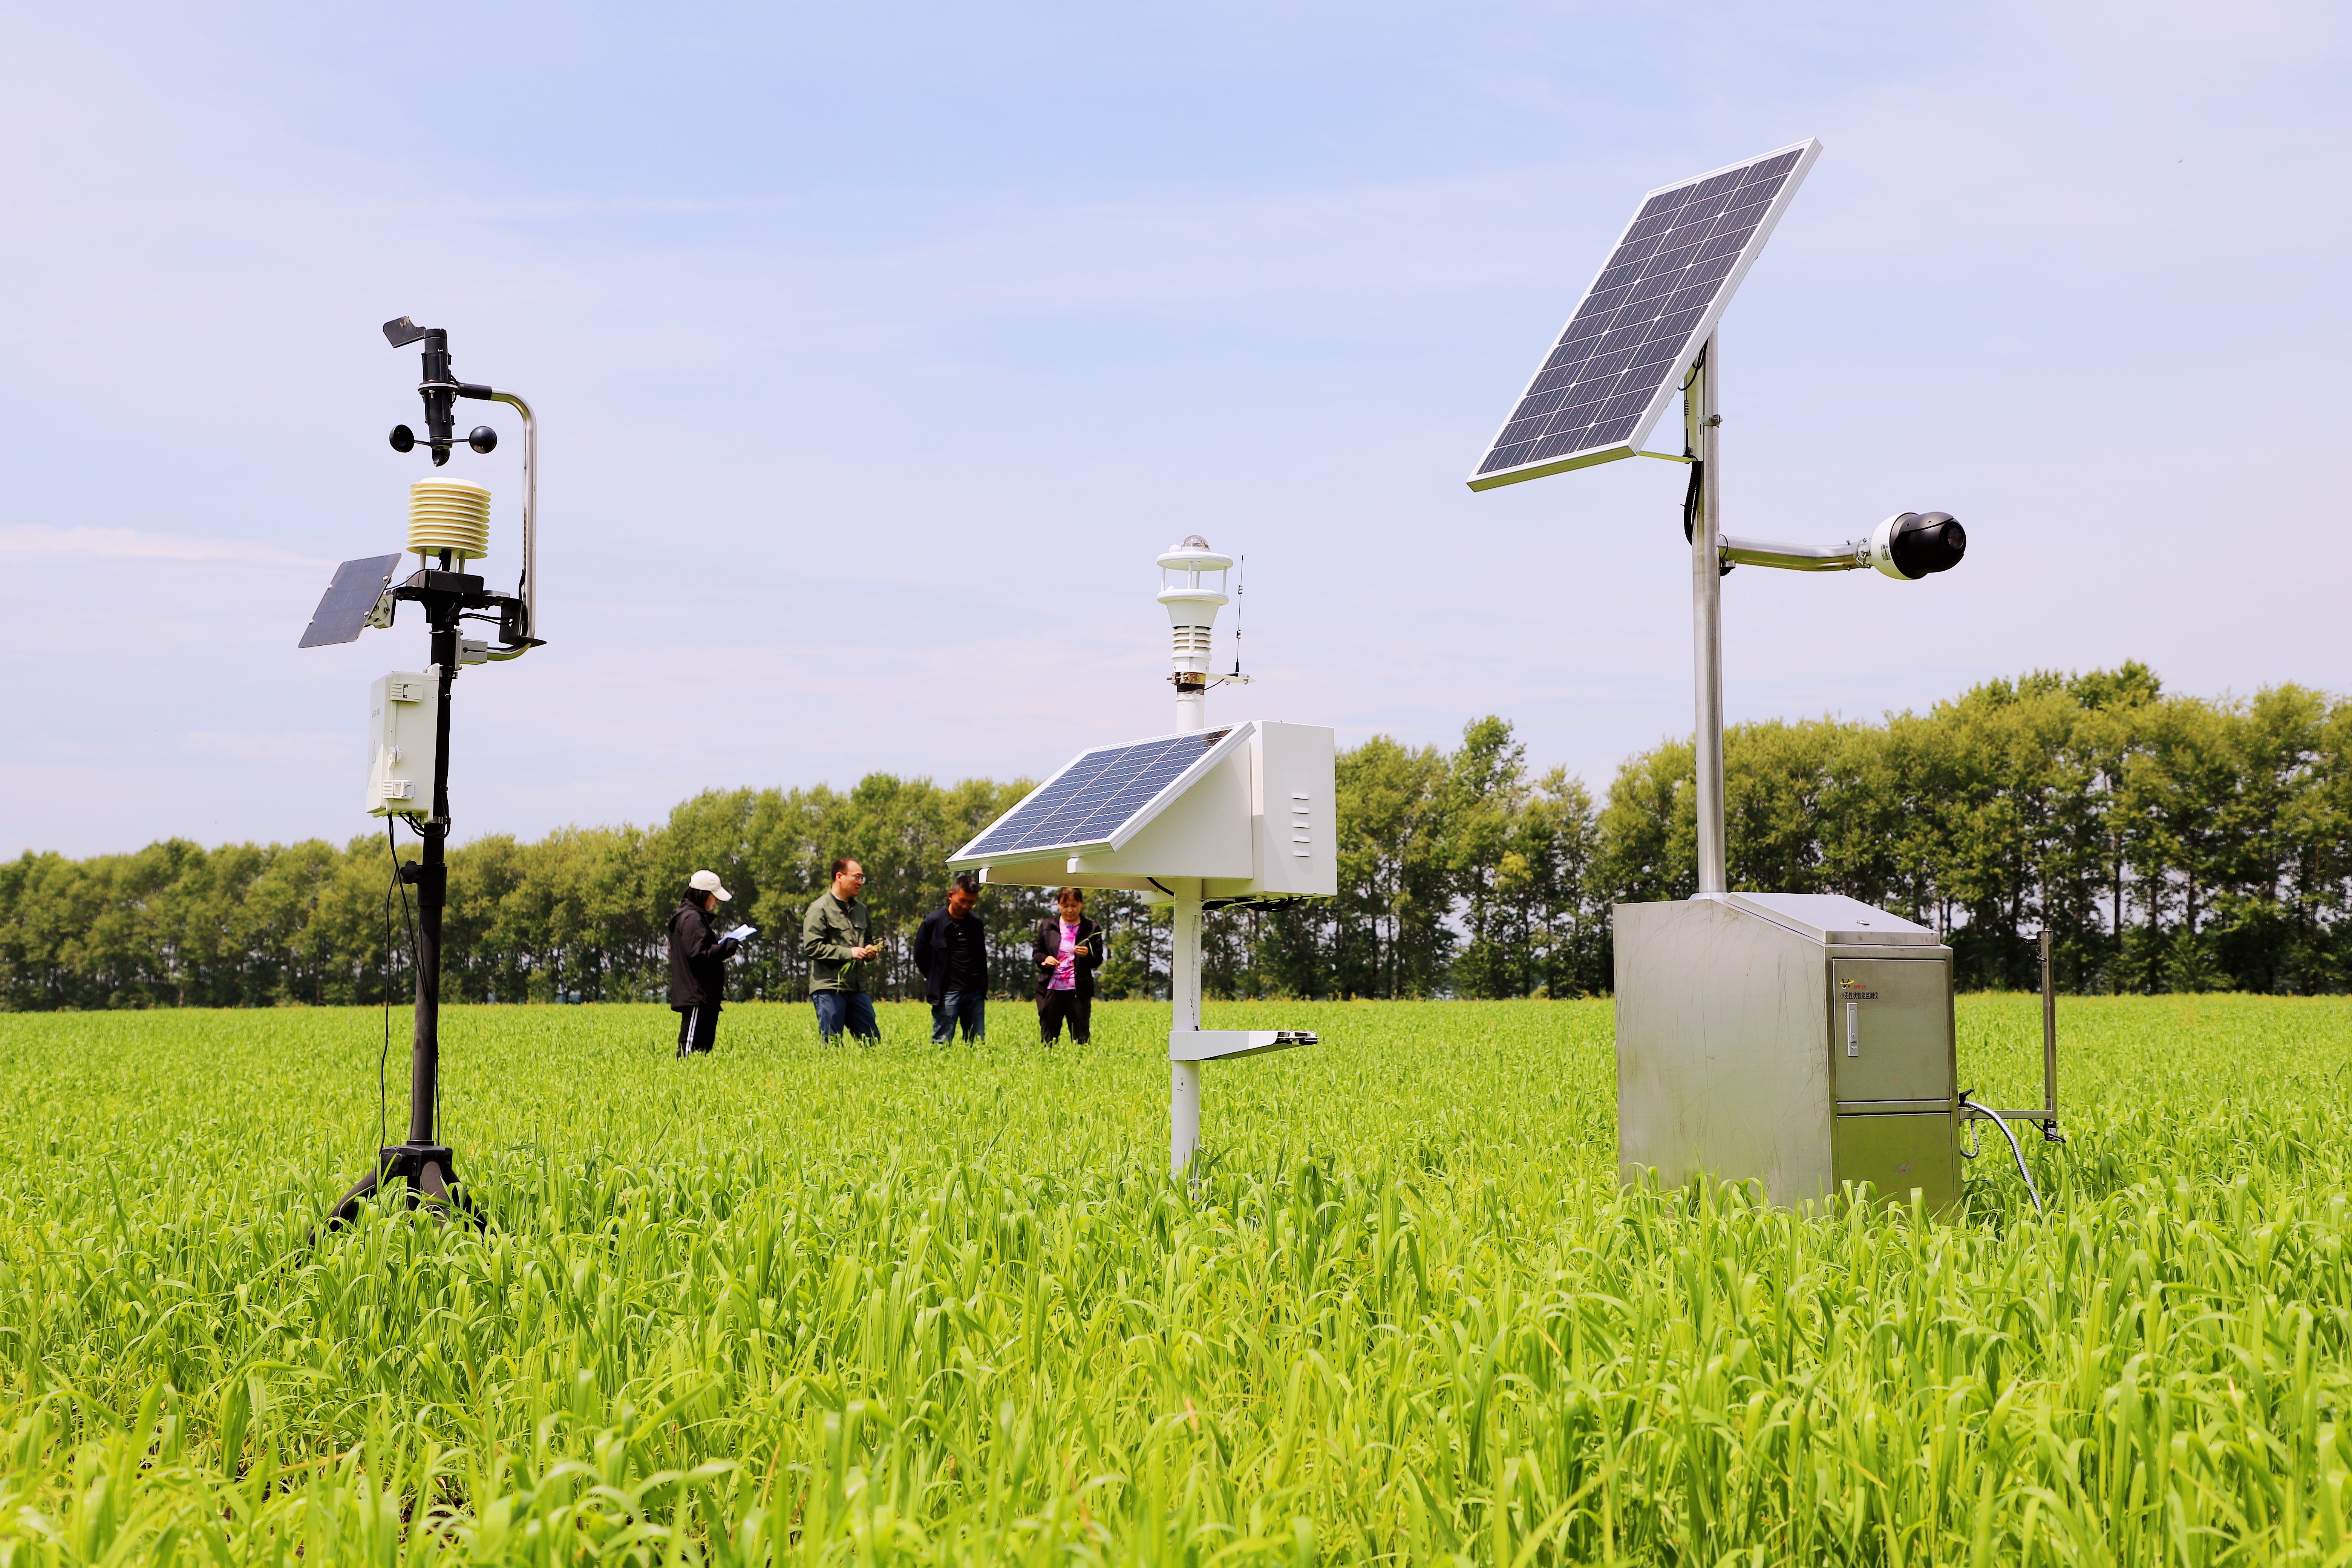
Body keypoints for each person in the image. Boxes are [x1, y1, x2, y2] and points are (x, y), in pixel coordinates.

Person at [802, 856, 882, 1044]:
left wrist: (869, 950)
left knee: (872, 1042)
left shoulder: (861, 909)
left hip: (856, 987)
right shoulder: (819, 909)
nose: (860, 883)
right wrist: (850, 953)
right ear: (840, 876)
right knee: (832, 1043)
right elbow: (812, 948)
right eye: (857, 877)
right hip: (829, 987)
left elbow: (867, 939)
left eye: (862, 878)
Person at [668, 869, 743, 1057]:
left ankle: (696, 1080)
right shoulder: (692, 918)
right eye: (714, 896)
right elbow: (698, 954)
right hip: (696, 994)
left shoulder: (693, 917)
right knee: (690, 1048)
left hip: (704, 994)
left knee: (702, 1049)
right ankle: (682, 1080)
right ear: (702, 895)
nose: (717, 901)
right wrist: (727, 947)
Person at [914, 872, 988, 1045]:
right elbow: (920, 955)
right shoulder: (933, 921)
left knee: (977, 1041)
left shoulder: (976, 923)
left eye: (971, 902)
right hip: (947, 991)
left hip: (975, 991)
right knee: (942, 1039)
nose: (966, 906)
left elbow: (982, 956)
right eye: (962, 901)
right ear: (951, 896)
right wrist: (934, 976)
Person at [1033, 886, 1103, 1045]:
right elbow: (1037, 952)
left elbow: (1097, 959)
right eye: (1065, 906)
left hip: (1079, 991)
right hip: (1051, 989)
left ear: (1081, 905)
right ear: (1058, 905)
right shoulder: (1048, 926)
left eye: (1074, 906)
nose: (1070, 910)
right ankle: (1047, 1065)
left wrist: (1087, 955)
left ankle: (1082, 1066)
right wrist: (1045, 960)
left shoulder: (1091, 928)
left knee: (1081, 1038)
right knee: (1048, 1037)